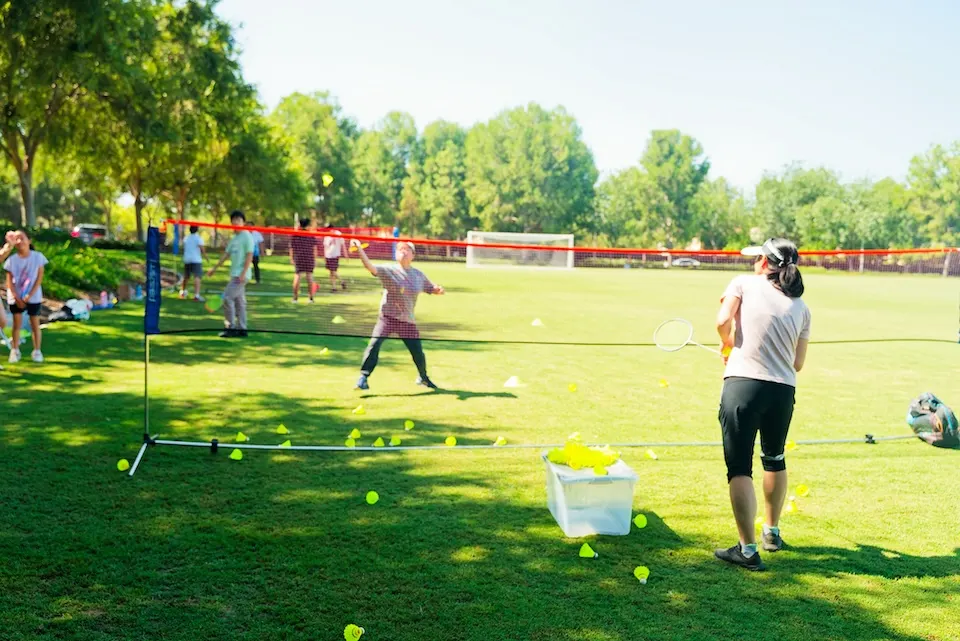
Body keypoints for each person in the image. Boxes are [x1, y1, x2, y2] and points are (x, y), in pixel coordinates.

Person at [713, 237, 811, 571]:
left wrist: (728, 345)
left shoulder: (743, 283)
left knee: (739, 467)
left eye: (757, 258)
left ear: (765, 263)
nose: (754, 262)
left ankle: (748, 549)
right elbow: (797, 363)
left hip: (743, 386)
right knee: (774, 457)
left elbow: (722, 320)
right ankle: (771, 532)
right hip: (782, 393)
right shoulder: (801, 306)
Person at [352, 239, 444, 391]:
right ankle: (363, 377)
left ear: (412, 255)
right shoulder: (389, 270)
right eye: (400, 249)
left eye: (406, 249)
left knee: (418, 353)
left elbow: (430, 288)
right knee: (374, 345)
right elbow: (370, 267)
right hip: (387, 317)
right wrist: (360, 249)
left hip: (407, 321)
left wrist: (437, 290)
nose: (403, 251)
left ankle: (423, 377)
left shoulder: (418, 275)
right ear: (395, 254)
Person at [207, 210, 254, 338]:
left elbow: (250, 255)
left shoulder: (247, 236)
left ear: (243, 222)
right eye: (234, 220)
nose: (236, 222)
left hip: (241, 275)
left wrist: (243, 273)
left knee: (227, 298)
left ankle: (230, 327)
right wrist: (214, 269)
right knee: (240, 302)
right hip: (235, 274)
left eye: (239, 220)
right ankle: (242, 329)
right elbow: (225, 255)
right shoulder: (234, 239)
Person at [4, 230, 48, 363]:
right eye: (16, 239)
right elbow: (9, 282)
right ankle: (15, 350)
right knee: (16, 324)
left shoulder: (38, 257)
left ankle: (37, 351)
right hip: (16, 297)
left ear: (29, 241)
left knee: (34, 323)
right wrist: (17, 297)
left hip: (33, 297)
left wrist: (29, 295)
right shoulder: (11, 260)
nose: (19, 242)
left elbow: (39, 279)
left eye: (21, 238)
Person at [290, 217, 318, 303]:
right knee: (309, 277)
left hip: (298, 258)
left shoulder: (295, 235)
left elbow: (291, 248)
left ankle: (295, 298)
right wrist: (315, 259)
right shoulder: (311, 235)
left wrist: (291, 258)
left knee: (297, 276)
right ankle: (311, 298)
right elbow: (315, 249)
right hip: (309, 258)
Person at [179, 225, 206, 301]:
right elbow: (202, 249)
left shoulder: (186, 238)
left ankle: (183, 292)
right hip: (196, 260)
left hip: (187, 259)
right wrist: (206, 257)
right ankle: (196, 295)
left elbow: (184, 247)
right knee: (197, 277)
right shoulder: (198, 238)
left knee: (186, 277)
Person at [323, 227, 347, 293]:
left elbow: (343, 244)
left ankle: (340, 282)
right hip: (328, 255)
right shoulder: (327, 235)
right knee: (331, 272)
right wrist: (325, 256)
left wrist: (345, 253)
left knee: (333, 271)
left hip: (335, 255)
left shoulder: (338, 234)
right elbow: (325, 246)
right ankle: (334, 287)